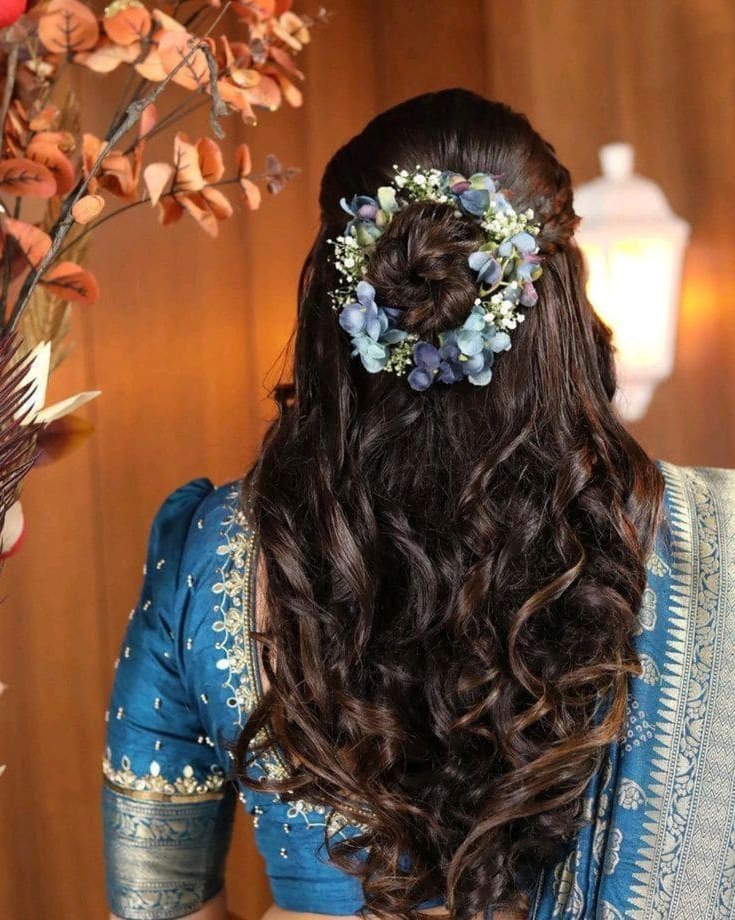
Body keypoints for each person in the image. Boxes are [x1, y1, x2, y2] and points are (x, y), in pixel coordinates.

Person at [102, 89, 735, 920]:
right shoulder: (717, 541)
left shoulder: (212, 553)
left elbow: (155, 902)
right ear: (565, 307)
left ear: (335, 307)